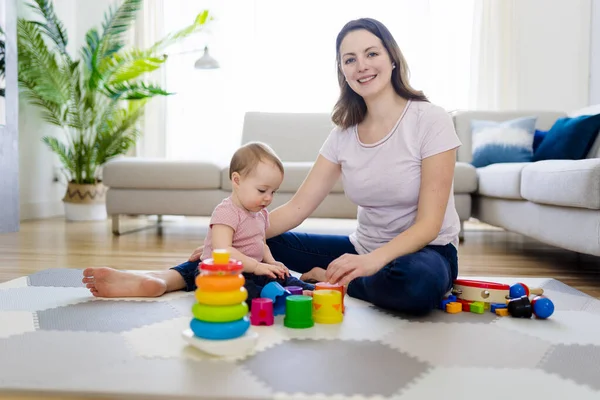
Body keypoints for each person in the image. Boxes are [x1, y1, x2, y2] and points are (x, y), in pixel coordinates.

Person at [83, 17, 460, 316]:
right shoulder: (344, 134)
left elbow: (428, 225)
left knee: (416, 285)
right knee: (254, 240)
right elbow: (296, 209)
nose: (362, 66)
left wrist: (360, 265)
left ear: (392, 57)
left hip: (424, 254)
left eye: (371, 53)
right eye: (350, 59)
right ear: (342, 71)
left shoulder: (430, 120)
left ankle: (326, 282)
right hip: (358, 248)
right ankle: (167, 279)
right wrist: (221, 243)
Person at [83, 142, 314, 300]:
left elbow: (261, 243)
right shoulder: (227, 212)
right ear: (237, 180)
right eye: (263, 190)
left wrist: (271, 262)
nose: (268, 198)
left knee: (277, 274)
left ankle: (308, 289)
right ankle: (285, 294)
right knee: (250, 287)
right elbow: (223, 250)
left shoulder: (260, 213)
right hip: (219, 273)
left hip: (246, 270)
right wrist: (257, 266)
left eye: (273, 192)